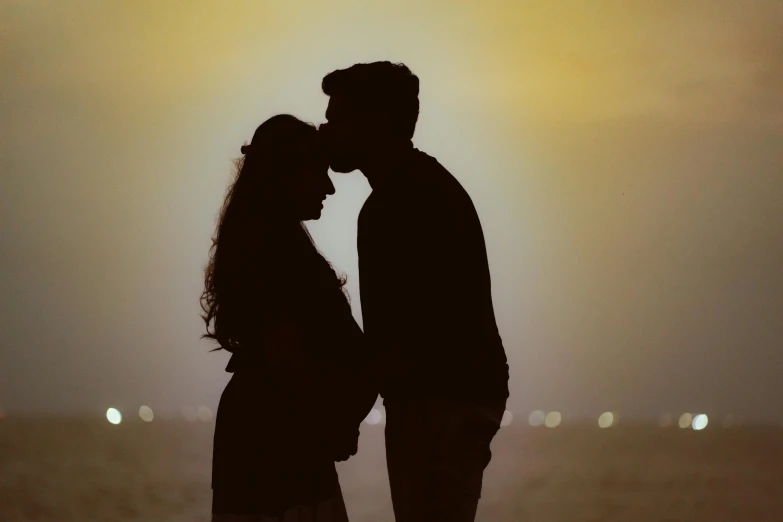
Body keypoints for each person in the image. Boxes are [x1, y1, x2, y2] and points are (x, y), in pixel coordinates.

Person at [319, 62, 510, 522]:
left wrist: (344, 420)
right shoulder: (426, 185)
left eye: (338, 117)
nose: (327, 128)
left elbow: (389, 340)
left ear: (375, 122)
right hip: (456, 395)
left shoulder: (390, 206)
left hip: (437, 402)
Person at [201, 114, 377, 521]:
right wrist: (333, 422)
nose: (330, 187)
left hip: (277, 434)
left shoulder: (273, 245)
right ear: (286, 175)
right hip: (278, 442)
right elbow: (287, 355)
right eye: (318, 174)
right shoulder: (276, 255)